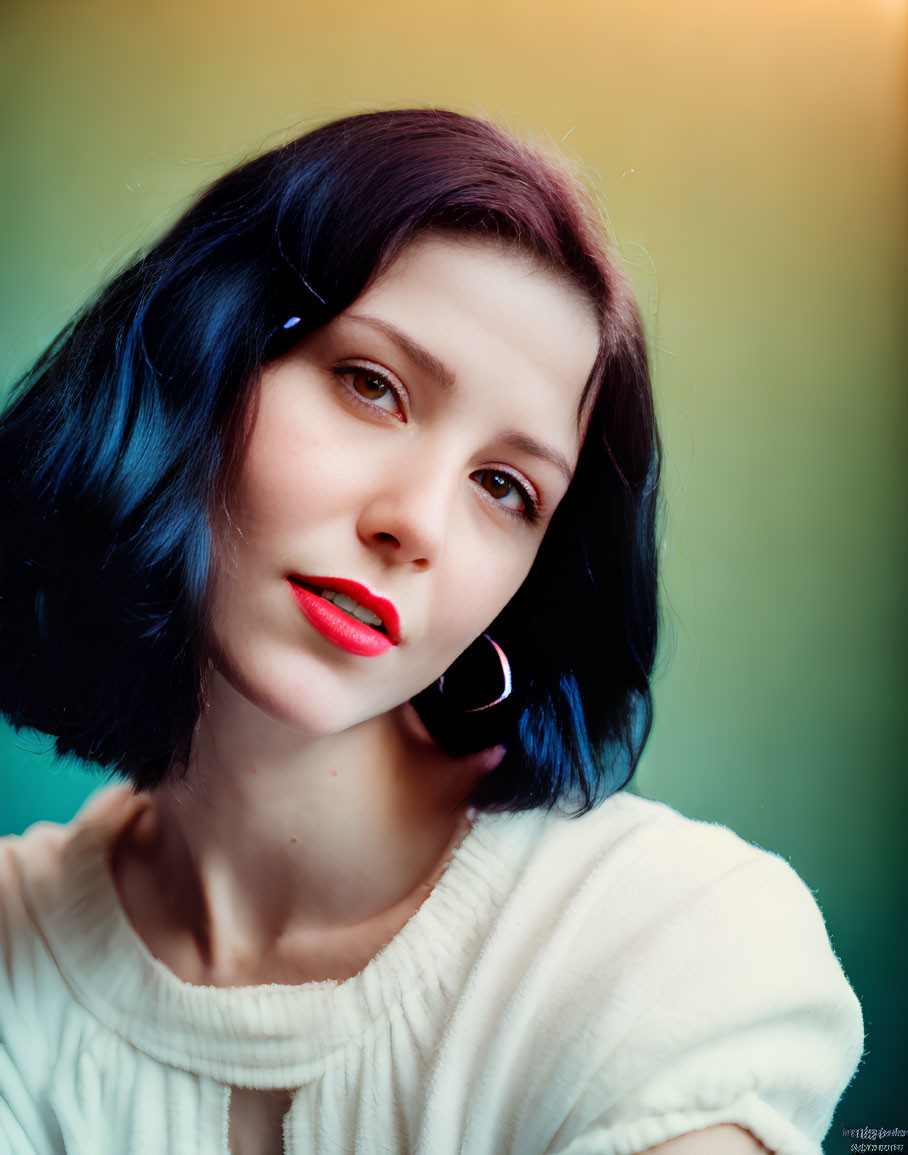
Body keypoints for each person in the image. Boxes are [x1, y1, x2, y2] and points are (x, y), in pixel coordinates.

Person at [0, 109, 862, 1155]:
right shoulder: (17, 950)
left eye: (504, 488)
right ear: (199, 368)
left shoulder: (666, 945)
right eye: (372, 386)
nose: (415, 524)